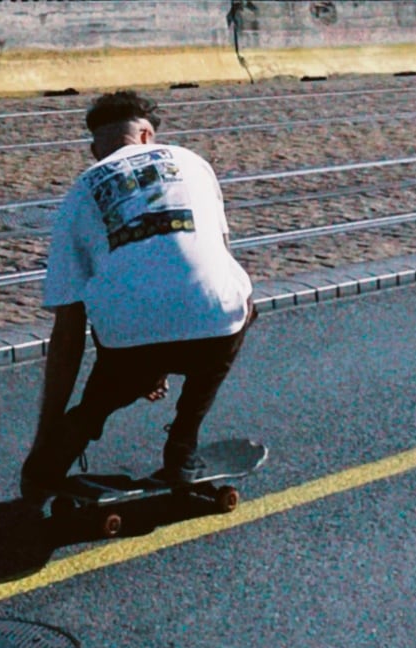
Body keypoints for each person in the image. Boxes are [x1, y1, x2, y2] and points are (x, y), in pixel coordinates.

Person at [19, 88, 254, 506]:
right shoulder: (192, 162)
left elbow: (68, 330)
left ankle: (58, 451)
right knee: (238, 304)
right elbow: (209, 264)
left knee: (107, 387)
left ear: (95, 149)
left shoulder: (80, 192)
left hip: (129, 346)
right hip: (213, 330)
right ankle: (182, 446)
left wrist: (45, 434)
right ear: (147, 135)